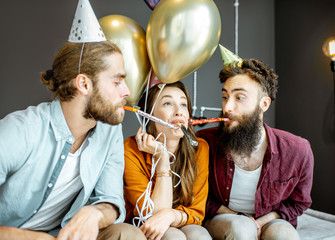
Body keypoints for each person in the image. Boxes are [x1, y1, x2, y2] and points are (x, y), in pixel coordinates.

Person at [0, 39, 148, 239]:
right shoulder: (19, 130)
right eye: (116, 82)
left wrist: (95, 213)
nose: (127, 91)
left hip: (60, 234)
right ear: (84, 84)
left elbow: (111, 201)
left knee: (127, 233)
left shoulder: (110, 132)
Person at [197, 46, 314, 240]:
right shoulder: (204, 142)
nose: (228, 107)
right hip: (222, 219)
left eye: (239, 97)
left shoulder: (298, 150)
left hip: (269, 219)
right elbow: (198, 197)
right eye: (225, 96)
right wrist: (238, 218)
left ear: (264, 104)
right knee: (241, 229)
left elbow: (298, 203)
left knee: (284, 235)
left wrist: (259, 223)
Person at [123, 81, 212, 240]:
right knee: (173, 237)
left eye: (183, 105)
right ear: (149, 114)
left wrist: (171, 215)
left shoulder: (200, 149)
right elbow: (152, 216)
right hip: (141, 227)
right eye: (168, 103)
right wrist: (162, 159)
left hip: (178, 220)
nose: (179, 112)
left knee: (200, 236)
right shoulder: (130, 150)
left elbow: (197, 213)